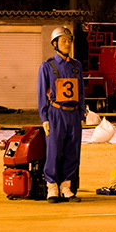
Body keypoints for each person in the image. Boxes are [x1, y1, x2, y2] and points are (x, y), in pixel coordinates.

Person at [37, 26, 85, 203]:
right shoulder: (47, 66)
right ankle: (52, 187)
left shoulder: (76, 66)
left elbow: (81, 92)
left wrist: (81, 114)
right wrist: (44, 118)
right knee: (54, 150)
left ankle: (66, 187)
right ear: (55, 43)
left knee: (72, 151)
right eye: (63, 41)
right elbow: (42, 93)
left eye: (69, 40)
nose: (67, 44)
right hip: (56, 113)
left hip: (73, 114)